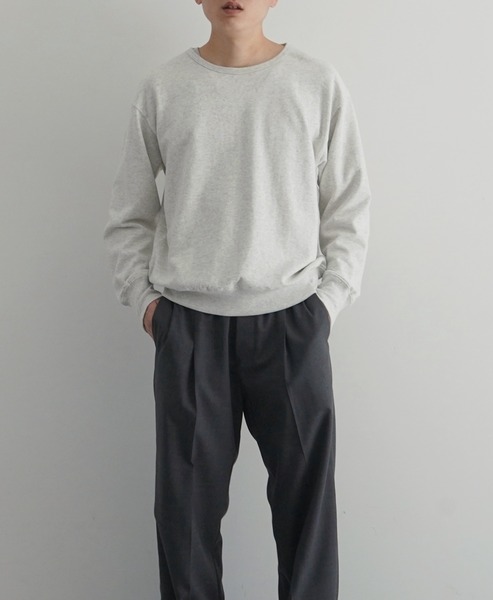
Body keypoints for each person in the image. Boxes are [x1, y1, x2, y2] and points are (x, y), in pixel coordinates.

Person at [103, 1, 371, 598]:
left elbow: (348, 205)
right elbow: (129, 214)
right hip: (190, 329)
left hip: (293, 325)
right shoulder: (164, 88)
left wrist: (326, 304)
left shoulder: (315, 83)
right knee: (185, 520)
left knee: (307, 516)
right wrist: (147, 305)